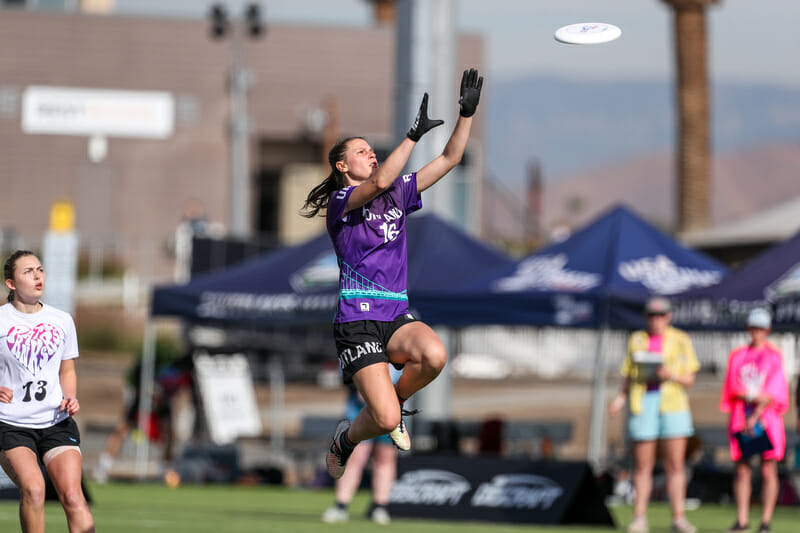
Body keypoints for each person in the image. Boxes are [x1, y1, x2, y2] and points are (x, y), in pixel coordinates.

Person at [301, 68, 483, 479]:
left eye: (370, 149)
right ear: (342, 166)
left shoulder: (399, 193)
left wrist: (466, 114)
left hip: (395, 313)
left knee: (435, 356)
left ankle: (396, 404)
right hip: (357, 322)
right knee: (381, 420)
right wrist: (412, 136)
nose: (370, 154)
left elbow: (451, 159)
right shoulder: (342, 201)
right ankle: (345, 440)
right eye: (361, 151)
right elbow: (383, 177)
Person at [0, 250, 94, 532]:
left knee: (72, 495)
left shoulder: (62, 320)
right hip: (11, 423)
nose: (37, 275)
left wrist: (70, 396)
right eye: (28, 271)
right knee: (35, 490)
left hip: (55, 421)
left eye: (40, 269)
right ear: (11, 284)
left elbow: (67, 370)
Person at [609, 296, 699, 533]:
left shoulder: (680, 339)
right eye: (651, 315)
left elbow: (690, 378)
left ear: (668, 317)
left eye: (660, 315)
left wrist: (670, 375)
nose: (656, 320)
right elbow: (628, 373)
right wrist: (620, 398)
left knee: (675, 464)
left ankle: (678, 518)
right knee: (642, 465)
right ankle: (639, 517)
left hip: (673, 404)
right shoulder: (637, 339)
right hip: (644, 403)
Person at [720, 308, 788, 533]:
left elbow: (775, 391)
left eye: (761, 328)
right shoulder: (738, 355)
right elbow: (732, 387)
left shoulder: (774, 355)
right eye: (753, 328)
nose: (756, 332)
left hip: (766, 419)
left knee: (768, 469)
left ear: (767, 330)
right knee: (743, 468)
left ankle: (765, 522)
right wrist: (750, 397)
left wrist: (757, 412)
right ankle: (742, 520)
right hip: (743, 418)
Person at [321, 366, 402, 525]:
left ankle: (380, 507)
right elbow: (346, 372)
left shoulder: (398, 357)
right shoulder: (361, 346)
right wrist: (363, 389)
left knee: (385, 458)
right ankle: (341, 506)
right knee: (355, 457)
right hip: (358, 411)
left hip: (391, 412)